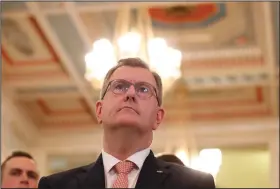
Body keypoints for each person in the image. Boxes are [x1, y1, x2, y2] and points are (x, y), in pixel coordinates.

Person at [38, 58, 215, 189]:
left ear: (158, 117)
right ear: (99, 110)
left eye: (143, 89)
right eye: (119, 86)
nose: (130, 94)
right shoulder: (55, 186)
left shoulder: (194, 184)